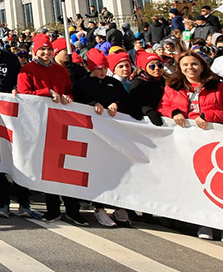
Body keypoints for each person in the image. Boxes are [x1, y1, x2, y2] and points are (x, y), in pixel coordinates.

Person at [160, 50, 223, 240]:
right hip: (187, 142)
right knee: (196, 183)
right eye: (185, 65)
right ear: (180, 68)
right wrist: (173, 112)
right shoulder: (173, 86)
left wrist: (210, 115)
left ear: (202, 66)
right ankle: (204, 223)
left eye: (194, 64)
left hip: (215, 141)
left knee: (220, 184)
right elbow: (162, 106)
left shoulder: (219, 87)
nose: (190, 68)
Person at [18, 34, 85, 226]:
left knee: (66, 167)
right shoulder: (26, 71)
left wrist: (68, 97)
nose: (46, 53)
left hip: (61, 123)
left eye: (48, 49)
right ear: (35, 51)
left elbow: (68, 91)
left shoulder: (60, 70)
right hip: (39, 124)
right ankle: (53, 208)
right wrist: (47, 92)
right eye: (42, 49)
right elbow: (24, 95)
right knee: (48, 168)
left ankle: (73, 210)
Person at [72, 50, 131, 227]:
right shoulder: (82, 83)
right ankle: (99, 208)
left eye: (104, 68)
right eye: (98, 69)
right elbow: (77, 102)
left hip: (114, 134)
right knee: (97, 170)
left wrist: (117, 104)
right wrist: (92, 104)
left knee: (116, 169)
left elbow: (127, 101)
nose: (102, 72)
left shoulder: (113, 83)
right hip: (93, 134)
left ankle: (119, 207)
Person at [128, 52, 167, 125]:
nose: (157, 68)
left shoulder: (167, 81)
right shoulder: (139, 83)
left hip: (165, 114)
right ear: (145, 68)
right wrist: (148, 110)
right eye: (152, 66)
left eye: (160, 65)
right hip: (148, 119)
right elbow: (134, 102)